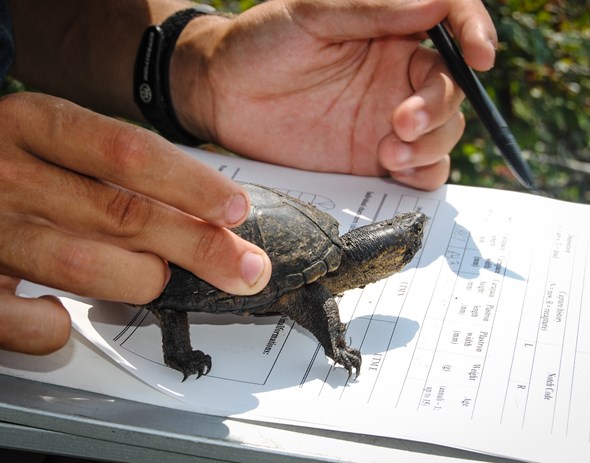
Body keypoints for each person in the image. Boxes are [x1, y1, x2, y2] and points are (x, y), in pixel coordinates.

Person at [0, 0, 497, 355]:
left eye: (407, 239)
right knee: (166, 297)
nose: (412, 240)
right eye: (408, 243)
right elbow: (314, 299)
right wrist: (337, 347)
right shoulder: (316, 283)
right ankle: (178, 352)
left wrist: (198, 70)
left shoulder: (318, 237)